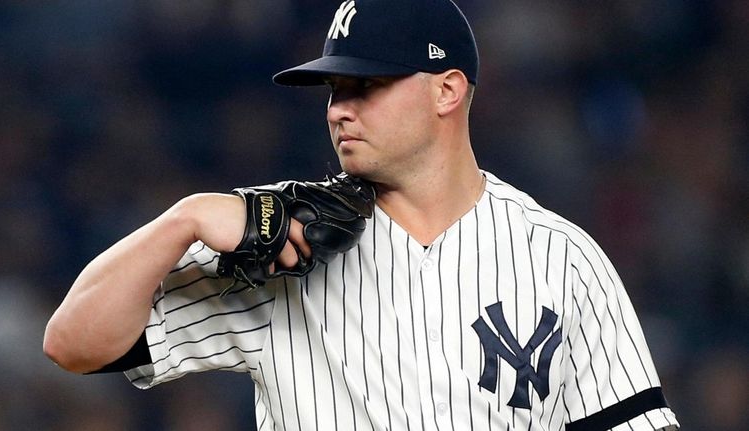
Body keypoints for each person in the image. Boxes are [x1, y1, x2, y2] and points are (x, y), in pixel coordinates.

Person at [44, 0, 680, 429]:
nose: (338, 109)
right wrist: (182, 219)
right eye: (333, 90)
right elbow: (73, 343)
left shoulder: (559, 255)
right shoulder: (283, 241)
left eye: (365, 87)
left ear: (447, 89)